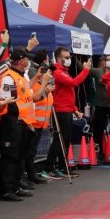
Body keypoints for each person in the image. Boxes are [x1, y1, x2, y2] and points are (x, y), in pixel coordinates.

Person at [0, 48, 46, 201]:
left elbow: (28, 98)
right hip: (12, 122)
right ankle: (6, 190)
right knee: (10, 157)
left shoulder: (20, 77)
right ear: (21, 60)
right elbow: (6, 102)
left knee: (18, 156)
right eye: (26, 58)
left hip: (23, 122)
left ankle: (15, 186)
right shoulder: (9, 77)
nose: (28, 61)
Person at [46, 47, 91, 177]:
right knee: (59, 139)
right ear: (59, 59)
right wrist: (86, 69)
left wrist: (75, 109)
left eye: (69, 57)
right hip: (60, 110)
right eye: (66, 57)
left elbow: (68, 93)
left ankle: (62, 166)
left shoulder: (63, 71)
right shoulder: (58, 72)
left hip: (66, 108)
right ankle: (50, 167)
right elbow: (74, 83)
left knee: (65, 140)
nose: (68, 60)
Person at [25, 64, 55, 184]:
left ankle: (31, 174)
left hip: (42, 124)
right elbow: (35, 100)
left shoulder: (46, 86)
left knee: (32, 151)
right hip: (32, 123)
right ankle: (26, 175)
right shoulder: (36, 86)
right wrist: (45, 91)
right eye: (47, 73)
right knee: (28, 151)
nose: (49, 76)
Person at [91, 55, 110, 163]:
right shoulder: (98, 71)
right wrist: (78, 60)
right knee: (98, 130)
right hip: (100, 105)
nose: (109, 62)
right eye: (107, 60)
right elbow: (85, 70)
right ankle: (99, 152)